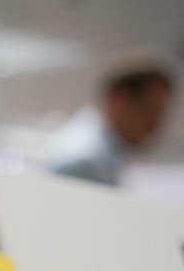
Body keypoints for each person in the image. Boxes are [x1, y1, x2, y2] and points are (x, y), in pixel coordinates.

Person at [46, 55, 176, 186]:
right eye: (151, 110)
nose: (156, 124)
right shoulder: (85, 161)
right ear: (122, 101)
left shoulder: (105, 153)